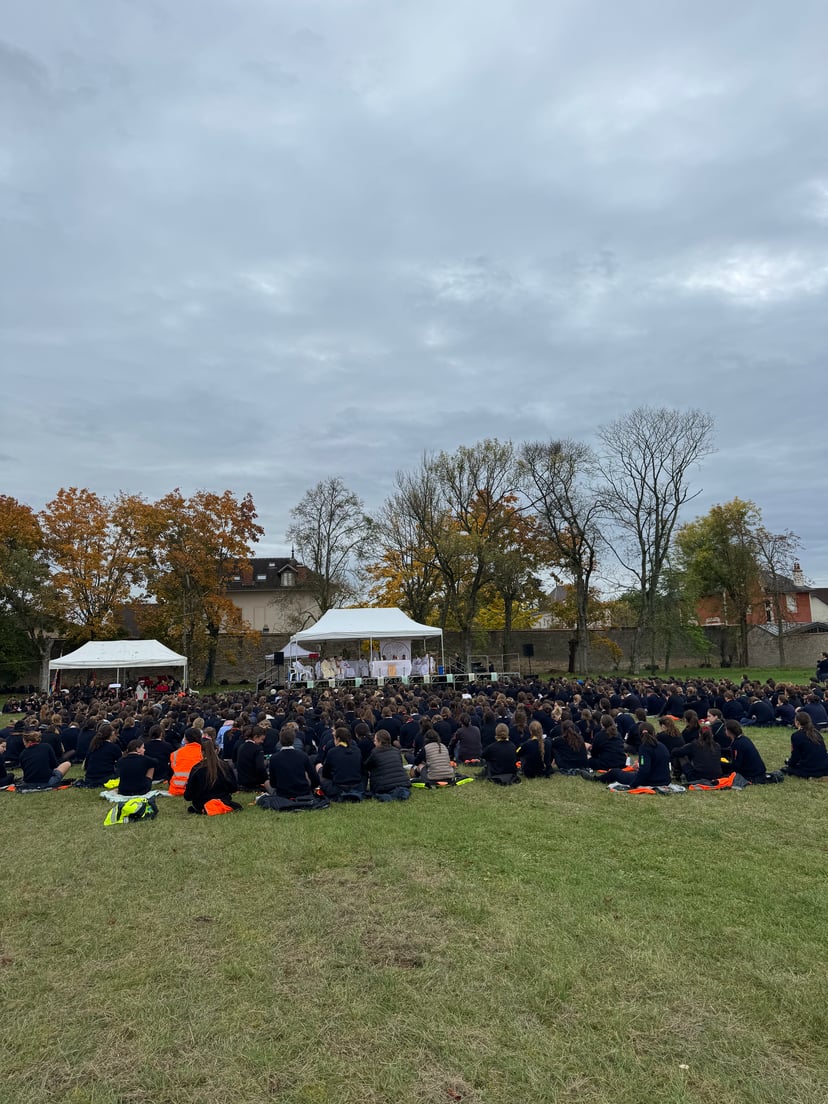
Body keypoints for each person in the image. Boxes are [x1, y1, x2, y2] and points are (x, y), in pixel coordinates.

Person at [183, 737, 241, 814]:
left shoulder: (196, 769)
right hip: (222, 802)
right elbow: (233, 788)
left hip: (201, 804)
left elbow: (188, 796)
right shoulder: (225, 767)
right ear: (217, 750)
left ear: (201, 752)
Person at [602, 723, 671, 788]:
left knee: (615, 772)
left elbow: (644, 771)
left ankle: (597, 779)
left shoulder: (644, 748)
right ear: (653, 732)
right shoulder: (662, 746)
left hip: (651, 781)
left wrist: (633, 785)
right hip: (664, 780)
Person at [268, 728, 319, 800]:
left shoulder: (274, 758)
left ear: (280, 740)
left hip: (283, 793)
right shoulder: (303, 756)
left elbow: (273, 783)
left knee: (267, 783)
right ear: (294, 740)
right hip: (302, 791)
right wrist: (312, 787)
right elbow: (314, 777)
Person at [320, 727, 366, 799]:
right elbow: (363, 770)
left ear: (338, 739)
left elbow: (325, 773)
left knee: (321, 775)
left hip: (339, 787)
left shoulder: (332, 752)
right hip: (357, 786)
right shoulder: (357, 750)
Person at [365, 729, 411, 801]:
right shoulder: (396, 751)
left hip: (383, 786)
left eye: (375, 741)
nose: (374, 743)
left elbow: (366, 766)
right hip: (403, 783)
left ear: (380, 742)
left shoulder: (375, 752)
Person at [783, 711, 828, 778]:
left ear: (797, 722)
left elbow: (796, 756)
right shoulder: (816, 733)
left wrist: (790, 763)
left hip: (810, 769)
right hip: (824, 766)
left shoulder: (796, 736)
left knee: (788, 769)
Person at [168, 729, 204, 795]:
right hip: (196, 789)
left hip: (176, 788)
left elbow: (173, 769)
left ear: (185, 739)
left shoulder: (175, 754)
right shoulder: (203, 753)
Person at [235, 726, 270, 791]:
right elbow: (260, 767)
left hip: (242, 781)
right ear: (255, 737)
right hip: (254, 782)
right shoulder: (257, 749)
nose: (262, 742)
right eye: (262, 739)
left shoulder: (241, 746)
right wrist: (266, 778)